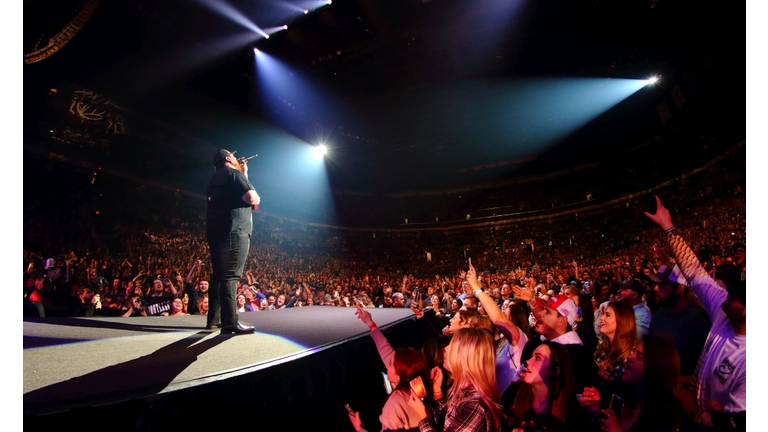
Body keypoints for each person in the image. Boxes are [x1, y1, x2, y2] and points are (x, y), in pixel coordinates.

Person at [645, 196, 745, 430]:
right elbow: (694, 271)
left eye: (739, 295)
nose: (727, 294)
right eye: (733, 289)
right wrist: (668, 228)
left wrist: (714, 420)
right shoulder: (723, 310)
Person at [580, 336, 698, 432]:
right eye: (634, 352)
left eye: (639, 357)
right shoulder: (620, 397)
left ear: (654, 369)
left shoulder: (665, 418)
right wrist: (595, 414)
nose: (630, 357)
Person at [408, 328, 505, 432]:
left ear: (464, 358)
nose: (445, 348)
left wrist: (423, 417)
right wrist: (437, 392)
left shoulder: (473, 407)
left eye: (453, 346)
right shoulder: (466, 393)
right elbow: (451, 425)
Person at [206, 149, 260, 334]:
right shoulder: (233, 173)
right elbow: (252, 199)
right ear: (228, 159)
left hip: (216, 232)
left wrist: (243, 173)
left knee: (218, 275)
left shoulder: (215, 178)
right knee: (230, 276)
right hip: (235, 231)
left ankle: (213, 320)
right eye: (234, 156)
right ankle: (230, 323)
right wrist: (244, 176)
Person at [647, 261, 710, 377]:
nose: (656, 289)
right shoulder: (657, 317)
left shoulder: (700, 321)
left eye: (663, 285)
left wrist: (675, 382)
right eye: (655, 284)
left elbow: (705, 371)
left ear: (680, 288)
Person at [506, 341, 586, 431]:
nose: (528, 361)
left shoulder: (570, 409)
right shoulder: (514, 392)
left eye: (537, 358)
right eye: (531, 356)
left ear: (555, 370)